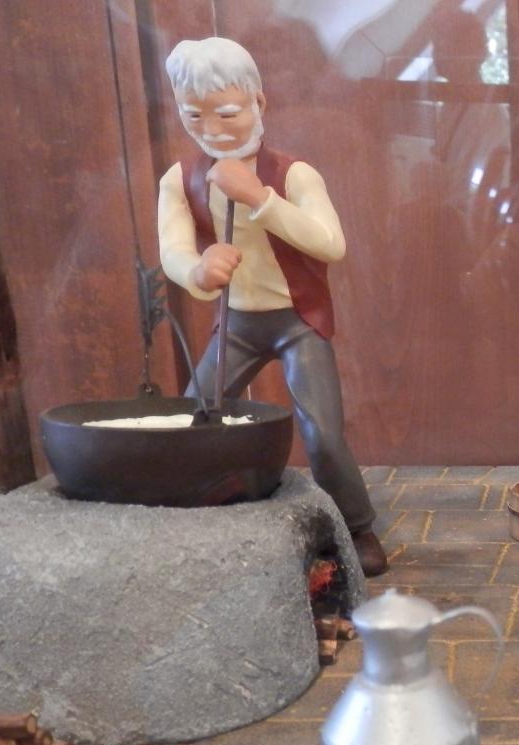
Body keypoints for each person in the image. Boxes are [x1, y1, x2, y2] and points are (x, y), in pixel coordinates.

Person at [157, 36, 387, 576]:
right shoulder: (180, 180)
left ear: (259, 102)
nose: (213, 129)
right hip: (237, 322)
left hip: (297, 320)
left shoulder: (294, 174)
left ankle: (356, 527)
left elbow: (330, 244)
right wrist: (197, 270)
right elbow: (172, 249)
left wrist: (261, 198)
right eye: (194, 115)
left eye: (228, 113)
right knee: (196, 415)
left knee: (322, 432)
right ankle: (203, 513)